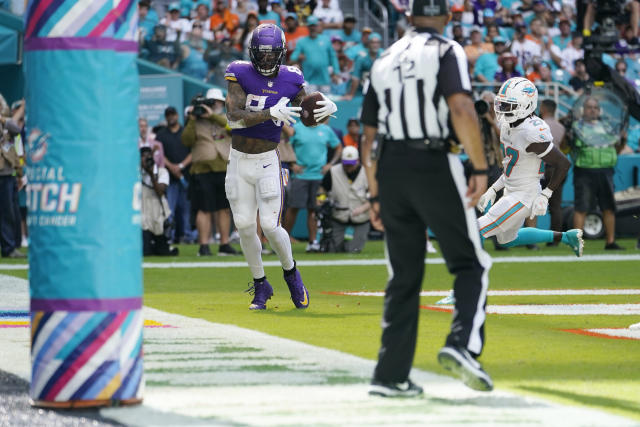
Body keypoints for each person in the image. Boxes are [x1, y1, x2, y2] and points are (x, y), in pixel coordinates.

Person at [360, 0, 493, 397]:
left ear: (409, 16)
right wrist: (481, 168)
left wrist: (376, 193)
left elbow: (368, 136)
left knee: (403, 276)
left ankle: (390, 375)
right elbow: (460, 106)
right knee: (471, 263)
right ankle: (462, 345)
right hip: (433, 160)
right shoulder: (447, 50)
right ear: (448, 17)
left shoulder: (383, 57)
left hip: (390, 166)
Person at [224, 23, 338, 309]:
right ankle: (261, 285)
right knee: (245, 227)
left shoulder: (292, 78)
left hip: (267, 161)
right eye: (260, 54)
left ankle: (291, 274)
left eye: (270, 54)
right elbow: (232, 118)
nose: (265, 59)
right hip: (238, 160)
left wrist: (327, 108)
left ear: (281, 53)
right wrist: (267, 113)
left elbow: (310, 111)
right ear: (251, 53)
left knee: (270, 226)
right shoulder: (238, 72)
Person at [476, 78, 583, 253]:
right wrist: (494, 189)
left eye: (509, 105)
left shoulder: (531, 131)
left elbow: (563, 163)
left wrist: (545, 195)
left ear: (526, 105)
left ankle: (472, 272)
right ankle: (565, 236)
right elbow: (512, 166)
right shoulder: (507, 125)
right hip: (512, 190)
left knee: (476, 229)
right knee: (507, 240)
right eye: (502, 104)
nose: (503, 109)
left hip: (524, 195)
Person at [182, 88, 240, 256]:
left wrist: (212, 116)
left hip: (223, 168)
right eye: (212, 102)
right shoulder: (194, 120)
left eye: (218, 103)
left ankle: (224, 244)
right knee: (204, 208)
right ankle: (204, 245)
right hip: (202, 169)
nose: (216, 105)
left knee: (224, 208)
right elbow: (186, 140)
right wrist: (192, 119)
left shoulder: (224, 118)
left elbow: (234, 128)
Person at [568, 97, 627, 250]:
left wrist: (623, 141)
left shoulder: (608, 127)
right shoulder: (576, 127)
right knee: (581, 207)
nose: (592, 110)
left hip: (606, 170)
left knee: (609, 207)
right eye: (589, 107)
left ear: (599, 110)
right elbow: (568, 147)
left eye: (595, 107)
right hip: (584, 171)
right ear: (583, 110)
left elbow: (617, 150)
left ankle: (610, 242)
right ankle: (577, 244)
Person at [283, 119, 342, 252]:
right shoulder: (296, 128)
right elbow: (286, 147)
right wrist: (293, 165)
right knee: (293, 208)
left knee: (314, 210)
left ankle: (313, 242)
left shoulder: (326, 130)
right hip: (299, 176)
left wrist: (330, 164)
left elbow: (338, 147)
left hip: (319, 177)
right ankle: (283, 242)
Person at [155, 106, 195, 243]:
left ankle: (188, 237)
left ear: (177, 116)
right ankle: (169, 236)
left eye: (173, 114)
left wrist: (181, 166)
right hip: (169, 178)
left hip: (186, 176)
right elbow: (160, 154)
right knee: (169, 209)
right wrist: (172, 167)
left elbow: (193, 151)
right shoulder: (161, 134)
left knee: (186, 210)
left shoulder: (186, 132)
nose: (171, 117)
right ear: (166, 117)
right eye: (168, 115)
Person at [319, 146, 370, 252]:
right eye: (346, 164)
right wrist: (321, 199)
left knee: (353, 249)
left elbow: (374, 197)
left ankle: (351, 243)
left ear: (358, 161)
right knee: (333, 249)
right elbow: (322, 189)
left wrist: (362, 209)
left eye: (351, 164)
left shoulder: (367, 172)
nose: (348, 167)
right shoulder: (333, 171)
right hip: (338, 215)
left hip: (361, 217)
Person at [140, 147, 178, 256]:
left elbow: (160, 191)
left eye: (149, 156)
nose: (147, 158)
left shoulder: (161, 172)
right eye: (143, 156)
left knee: (164, 252)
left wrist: (151, 174)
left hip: (157, 214)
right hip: (143, 213)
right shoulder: (135, 173)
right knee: (145, 252)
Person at [289, 16, 340, 93]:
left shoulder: (325, 39)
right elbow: (293, 57)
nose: (312, 28)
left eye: (314, 25)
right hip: (309, 80)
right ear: (308, 27)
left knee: (326, 103)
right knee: (311, 103)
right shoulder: (301, 41)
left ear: (317, 26)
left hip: (325, 80)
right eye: (310, 26)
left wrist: (336, 72)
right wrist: (298, 57)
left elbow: (333, 56)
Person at [539, 99, 566, 237]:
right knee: (556, 205)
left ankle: (529, 237)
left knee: (530, 202)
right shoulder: (560, 127)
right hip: (557, 168)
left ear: (543, 108)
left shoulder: (539, 125)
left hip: (542, 167)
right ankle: (555, 238)